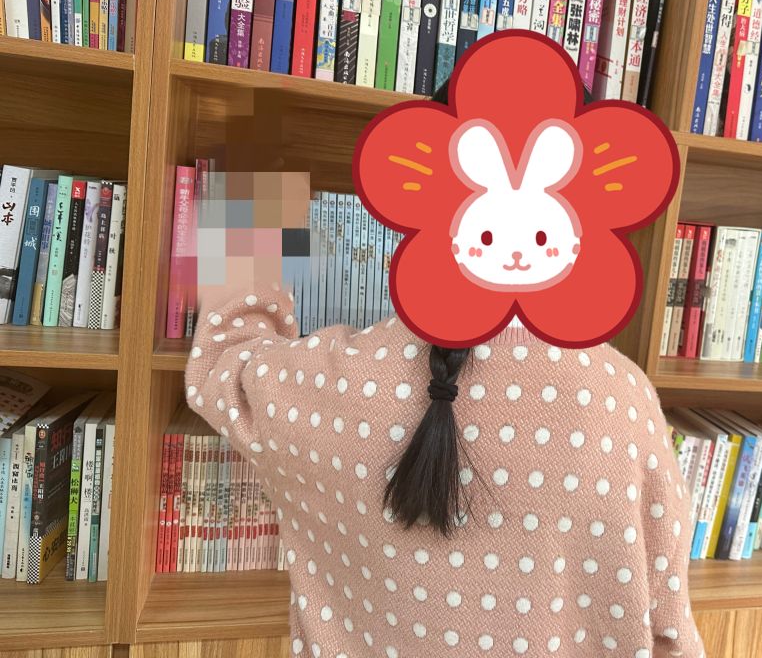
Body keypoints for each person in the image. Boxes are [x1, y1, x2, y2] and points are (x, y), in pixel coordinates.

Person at [185, 83, 705, 658]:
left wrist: (250, 182)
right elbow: (669, 629)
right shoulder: (625, 404)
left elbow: (224, 363)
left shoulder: (334, 387)